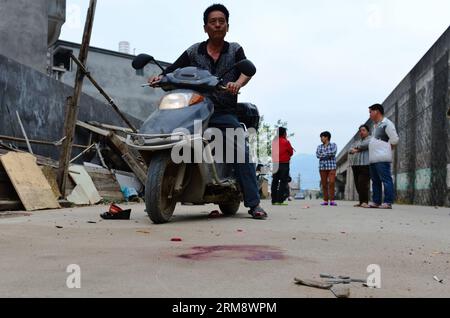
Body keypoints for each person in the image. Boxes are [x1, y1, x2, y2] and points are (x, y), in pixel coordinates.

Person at [148, 4, 267, 219]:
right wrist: (159, 78)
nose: (217, 24)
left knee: (238, 147)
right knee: (165, 132)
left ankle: (253, 203)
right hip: (194, 107)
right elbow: (172, 69)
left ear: (227, 26)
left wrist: (237, 84)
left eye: (221, 21)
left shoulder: (235, 49)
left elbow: (245, 71)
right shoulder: (194, 50)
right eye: (213, 21)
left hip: (222, 110)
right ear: (205, 27)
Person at [367, 104, 399, 209]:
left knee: (386, 180)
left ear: (377, 111)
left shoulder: (387, 124)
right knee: (375, 181)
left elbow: (395, 139)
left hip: (382, 158)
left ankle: (388, 202)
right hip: (373, 158)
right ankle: (376, 201)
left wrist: (387, 148)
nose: (370, 115)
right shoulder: (375, 126)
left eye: (370, 112)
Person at [349, 125, 372, 208]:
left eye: (363, 130)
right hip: (355, 165)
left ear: (368, 131)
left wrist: (357, 149)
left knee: (363, 183)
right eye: (360, 131)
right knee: (357, 184)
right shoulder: (357, 141)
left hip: (365, 164)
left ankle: (365, 202)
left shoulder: (370, 139)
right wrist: (356, 149)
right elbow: (350, 149)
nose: (361, 132)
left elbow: (366, 144)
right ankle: (361, 201)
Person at [271, 127, 294, 205]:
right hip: (284, 164)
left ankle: (273, 200)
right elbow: (291, 152)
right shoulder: (286, 142)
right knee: (283, 182)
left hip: (275, 164)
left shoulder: (274, 142)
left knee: (275, 182)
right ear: (284, 133)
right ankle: (280, 200)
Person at [316, 131, 338, 206]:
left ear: (326, 137)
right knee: (324, 184)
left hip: (332, 166)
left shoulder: (333, 145)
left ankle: (332, 200)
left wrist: (323, 155)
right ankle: (325, 200)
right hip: (322, 167)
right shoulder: (319, 147)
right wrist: (327, 155)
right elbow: (318, 155)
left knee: (331, 182)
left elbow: (333, 152)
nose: (321, 139)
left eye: (322, 137)